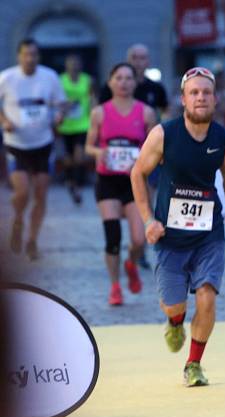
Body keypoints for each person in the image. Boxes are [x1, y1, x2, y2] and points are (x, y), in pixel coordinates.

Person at [130, 67, 225, 386]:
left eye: (206, 93)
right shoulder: (163, 134)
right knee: (174, 304)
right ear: (183, 99)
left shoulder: (224, 137)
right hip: (169, 235)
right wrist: (147, 220)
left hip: (209, 233)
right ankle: (175, 320)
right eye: (194, 93)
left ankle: (193, 363)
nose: (200, 98)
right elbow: (137, 174)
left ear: (215, 99)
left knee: (207, 296)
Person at [85, 63, 156, 305]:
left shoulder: (145, 112)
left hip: (133, 182)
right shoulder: (99, 113)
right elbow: (89, 145)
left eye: (128, 78)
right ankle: (115, 286)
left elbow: (155, 147)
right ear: (110, 82)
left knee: (139, 239)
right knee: (112, 236)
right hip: (107, 181)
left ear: (135, 83)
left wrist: (143, 161)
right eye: (119, 78)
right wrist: (98, 153)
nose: (124, 82)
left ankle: (132, 264)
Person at [101, 43, 169, 271]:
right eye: (135, 58)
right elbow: (102, 117)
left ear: (148, 61)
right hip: (113, 168)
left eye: (143, 58)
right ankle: (131, 241)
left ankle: (139, 249)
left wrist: (162, 137)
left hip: (147, 155)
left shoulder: (156, 88)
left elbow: (166, 112)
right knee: (116, 217)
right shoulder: (113, 88)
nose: (139, 62)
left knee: (145, 200)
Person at [0, 39, 66, 260]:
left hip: (43, 144)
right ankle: (18, 219)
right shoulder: (7, 78)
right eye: (26, 54)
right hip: (16, 144)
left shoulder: (50, 77)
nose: (30, 58)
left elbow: (60, 104)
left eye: (34, 54)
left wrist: (59, 115)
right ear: (19, 56)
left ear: (39, 56)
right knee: (22, 192)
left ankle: (32, 240)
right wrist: (4, 120)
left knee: (40, 194)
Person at [58, 54, 94, 205]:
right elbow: (56, 99)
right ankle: (70, 182)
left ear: (80, 65)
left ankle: (78, 187)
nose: (73, 66)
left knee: (79, 157)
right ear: (66, 65)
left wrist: (93, 115)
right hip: (65, 126)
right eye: (70, 63)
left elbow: (92, 98)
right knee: (68, 160)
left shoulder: (88, 80)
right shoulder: (60, 80)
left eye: (76, 63)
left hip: (82, 124)